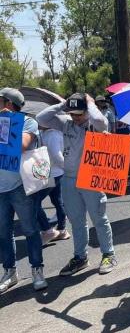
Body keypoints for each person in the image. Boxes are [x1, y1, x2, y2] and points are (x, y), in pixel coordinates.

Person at [37, 93, 117, 276]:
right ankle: (80, 257)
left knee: (99, 217)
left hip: (91, 177)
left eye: (79, 113)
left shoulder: (95, 124)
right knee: (76, 220)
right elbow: (41, 118)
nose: (76, 117)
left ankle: (108, 254)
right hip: (69, 178)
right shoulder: (66, 123)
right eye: (72, 113)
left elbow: (101, 122)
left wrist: (89, 104)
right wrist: (63, 105)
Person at [0, 88, 47, 293]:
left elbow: (22, 145)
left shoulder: (28, 122)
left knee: (30, 229)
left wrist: (8, 124)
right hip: (0, 189)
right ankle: (10, 272)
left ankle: (37, 270)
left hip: (20, 186)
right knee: (4, 233)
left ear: (8, 104)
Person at [35, 125, 70, 245]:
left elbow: (57, 155)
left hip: (52, 174)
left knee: (34, 202)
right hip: (52, 172)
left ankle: (48, 230)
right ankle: (62, 230)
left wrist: (66, 169)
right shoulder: (47, 132)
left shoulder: (52, 134)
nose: (36, 122)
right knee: (57, 201)